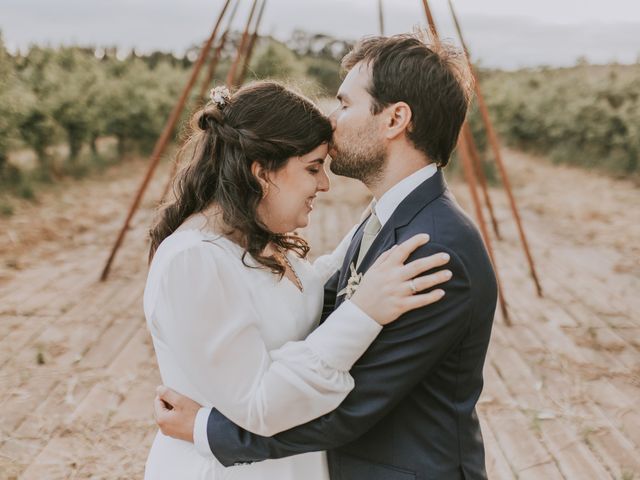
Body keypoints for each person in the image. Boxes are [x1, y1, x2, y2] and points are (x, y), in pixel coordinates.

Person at [155, 32, 498, 480]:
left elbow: (355, 401)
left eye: (345, 103)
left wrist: (208, 429)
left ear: (395, 119)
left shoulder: (432, 247)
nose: (332, 120)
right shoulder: (384, 221)